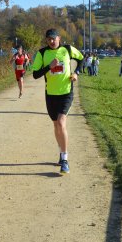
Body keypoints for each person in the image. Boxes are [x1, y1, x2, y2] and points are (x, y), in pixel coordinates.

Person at [32, 28, 84, 174]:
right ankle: (61, 152)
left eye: (53, 38)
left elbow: (81, 58)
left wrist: (76, 73)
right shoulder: (42, 53)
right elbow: (35, 74)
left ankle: (65, 160)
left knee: (61, 122)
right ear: (46, 40)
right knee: (56, 124)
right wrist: (49, 67)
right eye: (49, 39)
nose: (51, 41)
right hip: (50, 94)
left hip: (66, 92)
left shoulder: (67, 49)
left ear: (59, 38)